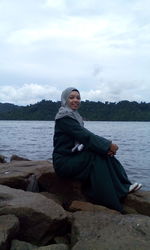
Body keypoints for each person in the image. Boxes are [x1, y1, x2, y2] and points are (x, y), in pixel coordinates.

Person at [52, 87, 142, 212]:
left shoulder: (75, 116)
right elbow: (86, 136)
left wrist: (106, 149)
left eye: (78, 98)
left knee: (102, 152)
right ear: (64, 100)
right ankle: (110, 199)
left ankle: (124, 185)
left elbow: (85, 139)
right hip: (64, 163)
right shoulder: (64, 118)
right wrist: (108, 145)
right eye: (71, 97)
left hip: (72, 157)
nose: (75, 100)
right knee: (96, 154)